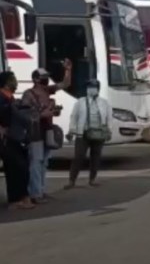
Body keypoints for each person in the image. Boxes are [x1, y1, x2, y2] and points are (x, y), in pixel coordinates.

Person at [21, 61, 71, 204]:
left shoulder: (47, 91)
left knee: (44, 162)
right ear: (36, 79)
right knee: (36, 162)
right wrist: (44, 114)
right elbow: (26, 114)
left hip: (47, 130)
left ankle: (41, 191)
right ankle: (35, 193)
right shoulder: (28, 94)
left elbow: (65, 84)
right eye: (43, 77)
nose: (46, 79)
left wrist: (68, 70)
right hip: (35, 132)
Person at [65, 79, 111, 188]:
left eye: (94, 87)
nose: (91, 89)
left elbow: (109, 118)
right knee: (78, 157)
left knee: (95, 157)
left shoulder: (104, 103)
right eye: (89, 87)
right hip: (82, 134)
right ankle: (71, 181)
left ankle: (92, 179)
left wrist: (109, 130)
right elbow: (74, 117)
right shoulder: (80, 102)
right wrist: (71, 130)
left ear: (98, 89)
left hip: (99, 134)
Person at [0, 71, 35, 209]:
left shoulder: (11, 98)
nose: (15, 82)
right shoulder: (1, 98)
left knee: (22, 168)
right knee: (15, 168)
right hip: (7, 139)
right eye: (12, 79)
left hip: (17, 137)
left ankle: (23, 197)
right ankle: (15, 200)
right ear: (5, 83)